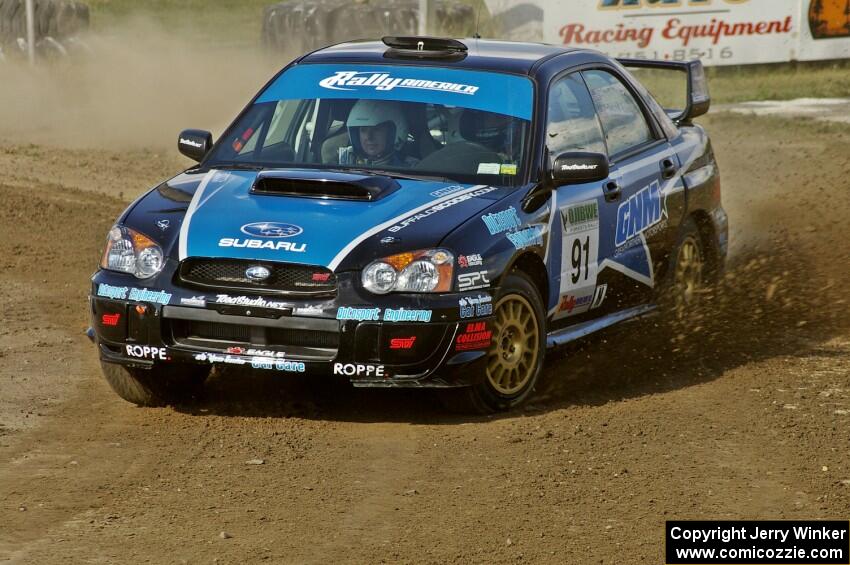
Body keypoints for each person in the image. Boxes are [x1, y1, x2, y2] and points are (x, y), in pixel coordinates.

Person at [339, 100, 418, 167]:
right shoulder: (342, 162)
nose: (369, 137)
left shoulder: (412, 168)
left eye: (376, 129)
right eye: (363, 130)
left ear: (392, 133)